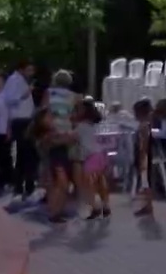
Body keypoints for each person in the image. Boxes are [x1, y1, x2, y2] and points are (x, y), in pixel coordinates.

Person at [41, 70, 79, 220]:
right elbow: (76, 118)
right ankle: (57, 209)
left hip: (50, 136)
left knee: (52, 172)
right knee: (63, 172)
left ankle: (53, 206)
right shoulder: (75, 97)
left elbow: (43, 113)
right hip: (67, 136)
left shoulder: (48, 93)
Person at [4, 62, 38, 201]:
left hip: (26, 120)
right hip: (21, 121)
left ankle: (25, 184)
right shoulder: (14, 81)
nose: (31, 73)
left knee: (26, 154)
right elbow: (10, 99)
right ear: (21, 69)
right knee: (26, 153)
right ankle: (23, 185)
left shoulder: (21, 80)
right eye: (29, 70)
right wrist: (25, 94)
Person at [29, 108, 69, 224]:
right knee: (58, 187)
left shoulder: (47, 133)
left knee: (56, 188)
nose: (52, 119)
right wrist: (67, 137)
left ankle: (56, 212)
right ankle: (54, 213)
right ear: (41, 121)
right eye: (49, 117)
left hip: (51, 165)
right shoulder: (46, 135)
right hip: (50, 165)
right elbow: (58, 141)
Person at [74, 99, 111, 220]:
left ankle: (95, 207)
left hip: (90, 157)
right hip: (101, 155)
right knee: (101, 181)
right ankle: (106, 206)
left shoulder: (81, 127)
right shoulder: (97, 125)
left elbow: (71, 137)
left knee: (88, 184)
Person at [131, 98, 156, 217]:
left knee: (146, 182)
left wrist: (141, 158)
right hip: (146, 156)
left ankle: (148, 205)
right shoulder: (147, 125)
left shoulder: (143, 127)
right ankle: (147, 204)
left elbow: (143, 144)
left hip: (144, 157)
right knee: (146, 182)